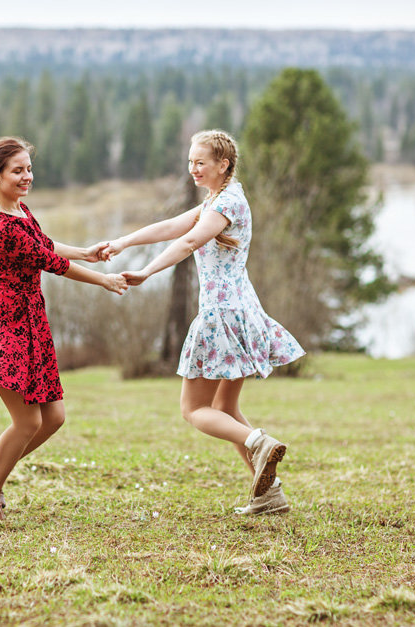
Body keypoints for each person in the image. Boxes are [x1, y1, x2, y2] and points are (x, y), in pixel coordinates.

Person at [103, 130, 304, 515]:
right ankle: (270, 495)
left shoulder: (226, 204)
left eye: (201, 163)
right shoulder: (220, 198)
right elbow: (170, 227)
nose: (193, 169)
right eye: (190, 162)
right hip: (241, 311)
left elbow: (189, 242)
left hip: (222, 315)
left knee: (194, 410)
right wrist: (123, 242)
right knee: (224, 409)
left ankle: (258, 441)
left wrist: (146, 272)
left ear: (223, 165)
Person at [0, 136, 127, 523]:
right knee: (28, 421)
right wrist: (103, 279)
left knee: (53, 417)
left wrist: (86, 250)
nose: (27, 177)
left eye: (29, 169)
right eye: (18, 171)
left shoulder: (18, 211)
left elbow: (45, 245)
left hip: (30, 321)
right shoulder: (1, 225)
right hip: (6, 324)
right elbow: (52, 264)